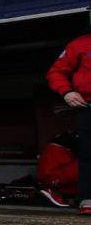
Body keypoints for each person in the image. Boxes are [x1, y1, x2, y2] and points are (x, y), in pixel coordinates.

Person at [46, 24, 91, 215]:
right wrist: (67, 93)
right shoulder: (80, 44)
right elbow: (56, 72)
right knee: (89, 154)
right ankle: (89, 199)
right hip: (88, 107)